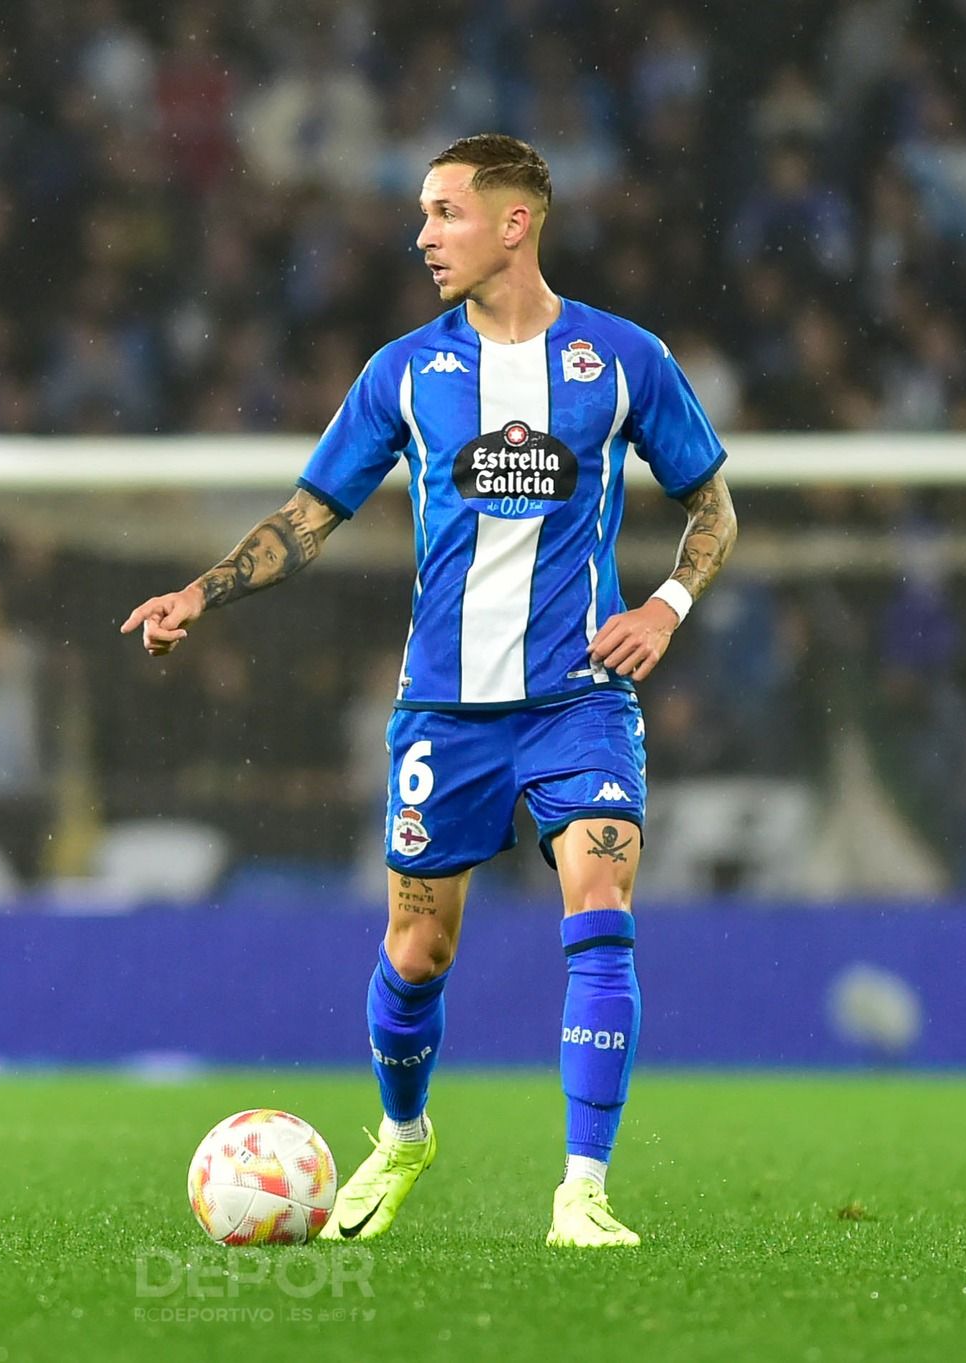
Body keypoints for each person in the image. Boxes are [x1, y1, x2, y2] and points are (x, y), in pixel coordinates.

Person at [122, 136, 738, 1248]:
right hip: (443, 711)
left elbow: (713, 508)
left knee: (599, 914)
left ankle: (581, 1192)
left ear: (514, 223)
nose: (420, 236)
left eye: (443, 212)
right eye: (421, 214)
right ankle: (401, 1134)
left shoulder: (623, 359)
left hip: (577, 699)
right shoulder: (403, 370)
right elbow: (309, 516)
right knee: (418, 954)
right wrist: (201, 595)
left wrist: (662, 609)